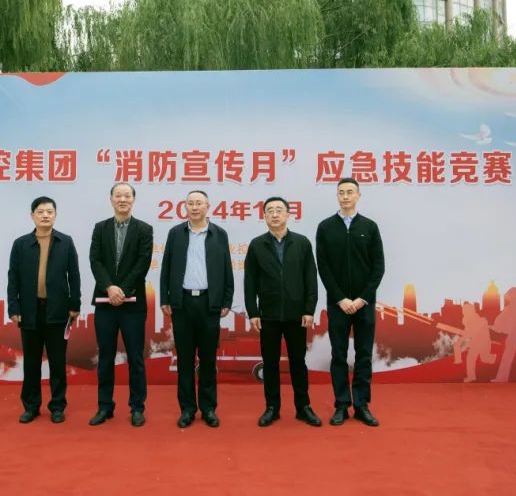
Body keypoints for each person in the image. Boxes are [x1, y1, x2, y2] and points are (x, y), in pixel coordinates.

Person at [244, 196, 321, 427]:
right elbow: (250, 281)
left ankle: (303, 407)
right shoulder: (257, 244)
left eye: (279, 210)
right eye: (270, 210)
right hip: (268, 315)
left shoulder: (302, 243)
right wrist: (253, 312)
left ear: (288, 214)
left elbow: (310, 279)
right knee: (270, 363)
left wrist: (309, 309)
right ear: (264, 216)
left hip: (297, 315)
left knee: (298, 362)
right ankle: (272, 408)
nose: (275, 214)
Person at [159, 190, 233, 428]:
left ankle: (209, 408)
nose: (194, 207)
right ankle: (187, 409)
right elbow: (166, 267)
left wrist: (226, 301)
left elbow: (227, 269)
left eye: (198, 203)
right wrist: (165, 298)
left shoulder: (219, 234)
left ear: (208, 206)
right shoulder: (176, 233)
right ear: (185, 207)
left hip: (209, 304)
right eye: (190, 203)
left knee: (208, 360)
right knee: (185, 360)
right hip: (182, 304)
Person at [315, 178, 385, 427]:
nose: (345, 196)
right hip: (338, 305)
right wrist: (341, 298)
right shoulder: (325, 227)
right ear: (337, 196)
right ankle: (342, 405)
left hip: (364, 304)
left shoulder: (370, 227)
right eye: (341, 192)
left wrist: (362, 298)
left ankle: (362, 405)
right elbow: (323, 266)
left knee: (364, 355)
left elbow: (378, 267)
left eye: (349, 192)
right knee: (339, 355)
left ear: (358, 195)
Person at [7, 196, 81, 424]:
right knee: (31, 362)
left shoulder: (65, 242)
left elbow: (74, 275)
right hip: (29, 310)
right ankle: (31, 406)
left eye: (50, 211)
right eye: (40, 212)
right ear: (32, 216)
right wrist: (13, 307)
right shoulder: (20, 244)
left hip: (58, 310)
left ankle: (57, 406)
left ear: (55, 215)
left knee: (57, 362)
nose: (45, 215)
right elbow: (13, 277)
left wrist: (75, 305)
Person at [88, 183, 154, 427]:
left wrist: (122, 289)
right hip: (105, 303)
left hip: (133, 305)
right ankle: (105, 407)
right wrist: (109, 287)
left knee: (135, 358)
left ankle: (137, 407)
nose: (122, 199)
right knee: (105, 357)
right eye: (118, 195)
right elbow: (95, 260)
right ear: (111, 199)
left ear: (133, 200)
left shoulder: (144, 229)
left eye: (127, 195)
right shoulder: (100, 228)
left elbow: (142, 263)